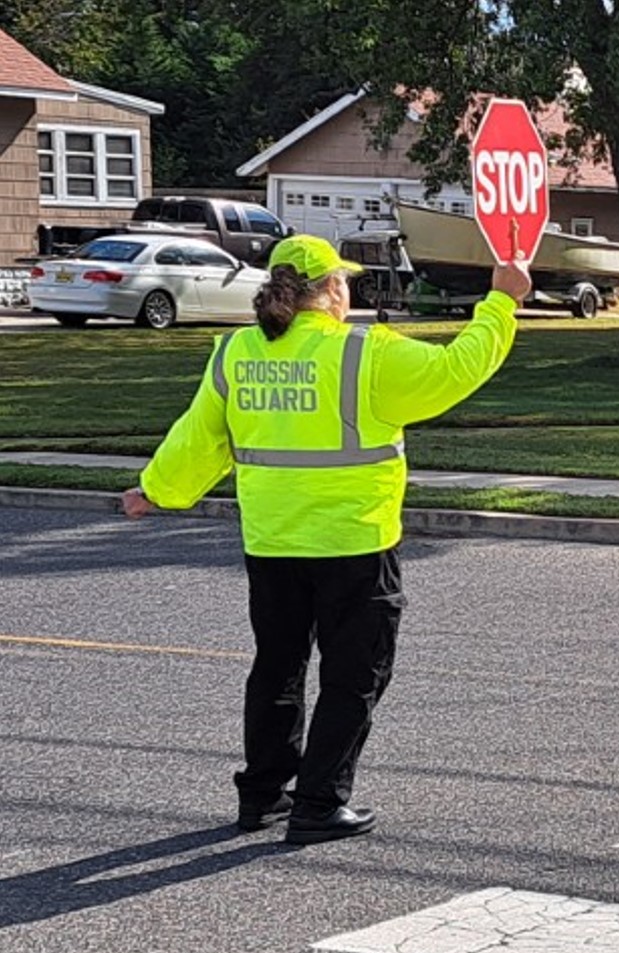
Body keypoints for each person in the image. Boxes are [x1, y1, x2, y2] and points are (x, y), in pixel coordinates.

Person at [122, 234, 533, 844]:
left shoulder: (237, 352)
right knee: (354, 677)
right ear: (333, 289)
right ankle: (318, 803)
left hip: (272, 543)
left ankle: (264, 795)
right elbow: (455, 370)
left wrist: (157, 489)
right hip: (353, 544)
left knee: (277, 669)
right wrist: (501, 303)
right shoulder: (364, 353)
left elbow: (200, 436)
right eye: (345, 282)